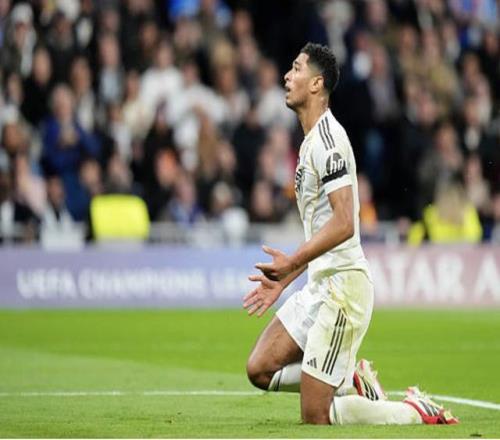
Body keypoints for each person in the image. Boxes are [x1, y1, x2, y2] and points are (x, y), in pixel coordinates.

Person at [243, 43, 458, 426]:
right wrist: (288, 277)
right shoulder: (309, 142)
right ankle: (348, 380)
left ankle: (413, 411)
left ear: (316, 83)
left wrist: (292, 262)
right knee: (260, 368)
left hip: (344, 290)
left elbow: (345, 222)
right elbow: (323, 228)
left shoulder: (329, 142)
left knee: (316, 415)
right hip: (319, 284)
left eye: (296, 69)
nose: (287, 76)